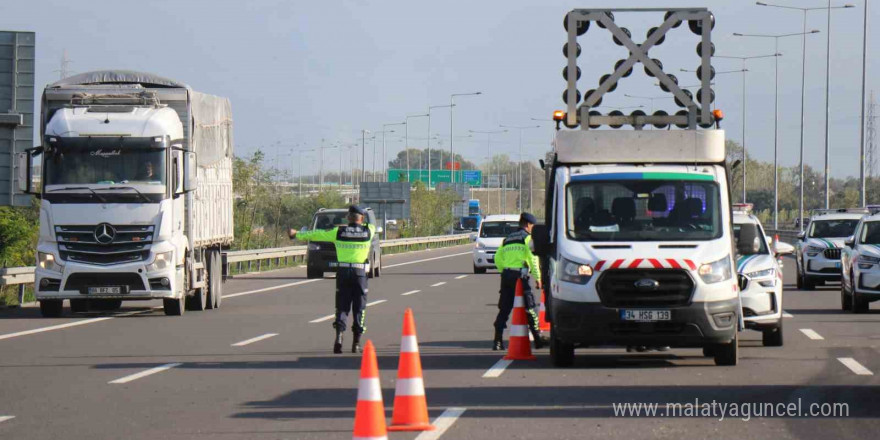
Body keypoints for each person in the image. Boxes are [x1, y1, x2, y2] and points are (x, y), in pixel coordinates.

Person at [289, 206, 375, 354]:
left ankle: (339, 338)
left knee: (342, 307)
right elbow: (370, 224)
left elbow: (316, 234)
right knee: (359, 308)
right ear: (361, 218)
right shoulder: (369, 231)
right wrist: (360, 222)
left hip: (342, 273)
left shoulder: (338, 232)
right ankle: (356, 343)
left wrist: (297, 234)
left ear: (348, 218)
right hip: (360, 274)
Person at [492, 212, 543, 351]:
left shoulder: (507, 239)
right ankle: (538, 339)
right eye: (533, 225)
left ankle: (497, 341)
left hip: (507, 276)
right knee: (530, 307)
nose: (533, 228)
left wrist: (504, 270)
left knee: (504, 308)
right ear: (528, 224)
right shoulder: (528, 239)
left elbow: (497, 258)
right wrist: (538, 278)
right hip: (520, 277)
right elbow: (533, 259)